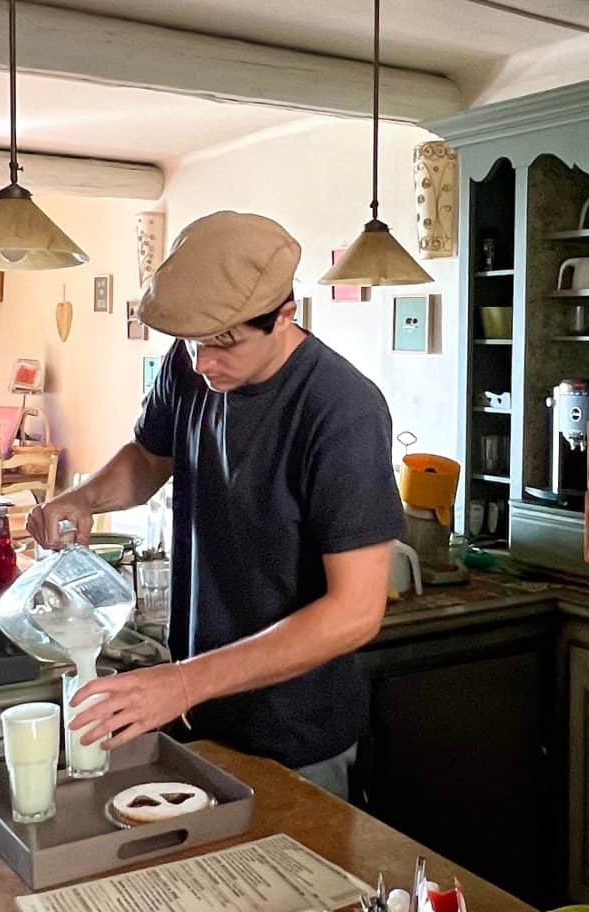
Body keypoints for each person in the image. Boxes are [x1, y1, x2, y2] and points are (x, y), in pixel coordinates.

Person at [27, 210, 405, 800]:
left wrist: (181, 684)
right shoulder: (193, 365)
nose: (202, 364)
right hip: (203, 716)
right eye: (193, 344)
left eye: (224, 344)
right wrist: (86, 497)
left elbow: (356, 611)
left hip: (294, 736)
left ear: (284, 316)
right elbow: (151, 457)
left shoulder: (341, 410)